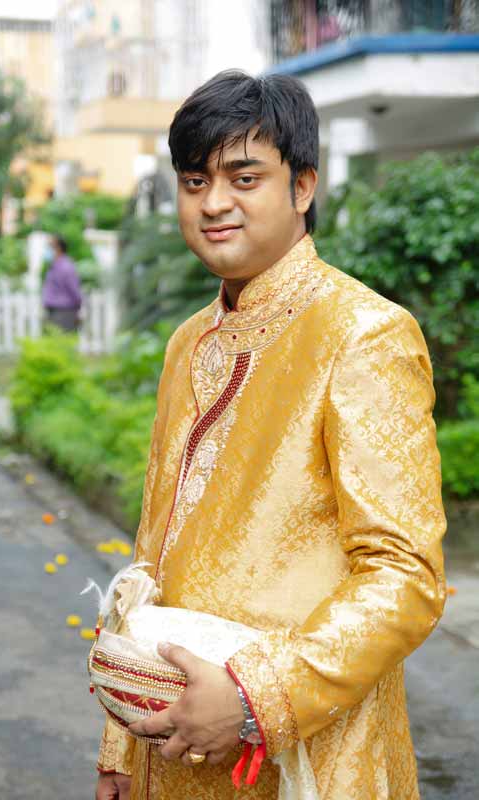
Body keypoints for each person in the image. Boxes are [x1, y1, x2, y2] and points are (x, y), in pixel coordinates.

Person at [95, 70, 446, 800]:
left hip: (307, 760)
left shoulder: (362, 334)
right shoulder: (190, 342)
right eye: (194, 181)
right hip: (170, 745)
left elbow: (403, 575)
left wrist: (255, 697)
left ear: (302, 186)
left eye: (242, 176)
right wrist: (121, 754)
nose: (214, 202)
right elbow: (148, 558)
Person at [42, 235, 83, 332]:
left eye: (50, 246)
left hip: (65, 312)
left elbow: (75, 291)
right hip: (54, 312)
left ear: (59, 247)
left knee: (62, 342)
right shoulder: (54, 265)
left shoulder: (66, 267)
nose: (47, 249)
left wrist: (79, 310)